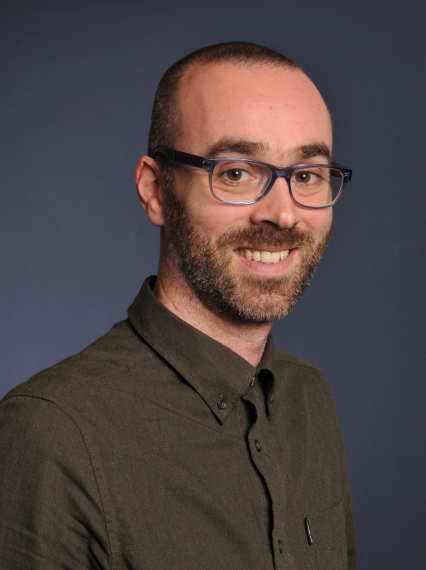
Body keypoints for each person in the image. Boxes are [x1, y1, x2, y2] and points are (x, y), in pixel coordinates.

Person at [0, 42, 356, 569]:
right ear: (156, 191)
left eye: (306, 175)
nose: (283, 214)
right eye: (236, 172)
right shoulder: (53, 434)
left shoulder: (310, 399)